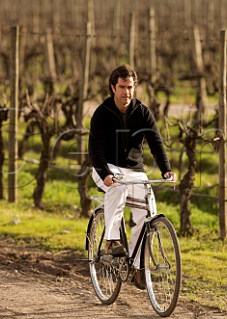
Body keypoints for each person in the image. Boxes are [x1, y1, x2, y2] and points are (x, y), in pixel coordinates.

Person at [88, 64, 176, 289]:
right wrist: (106, 174)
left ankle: (138, 267)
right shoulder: (102, 113)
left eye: (130, 87)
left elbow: (156, 142)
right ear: (112, 87)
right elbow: (95, 150)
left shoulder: (142, 112)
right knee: (117, 188)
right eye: (122, 87)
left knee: (148, 211)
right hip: (106, 168)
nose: (126, 92)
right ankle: (111, 239)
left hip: (135, 171)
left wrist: (166, 168)